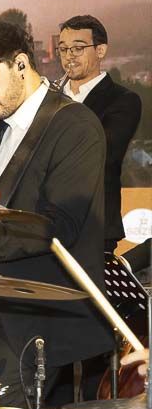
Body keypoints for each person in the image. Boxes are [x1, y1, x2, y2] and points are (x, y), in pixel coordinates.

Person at [0, 17, 111, 406]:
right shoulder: (4, 125)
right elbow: (1, 206)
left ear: (21, 63)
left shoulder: (75, 124)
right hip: (8, 313)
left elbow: (61, 225)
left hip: (48, 323)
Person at [56, 15, 142, 253]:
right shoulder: (47, 100)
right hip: (43, 225)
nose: (69, 56)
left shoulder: (123, 100)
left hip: (93, 226)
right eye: (63, 49)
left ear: (101, 50)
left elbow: (104, 153)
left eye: (78, 48)